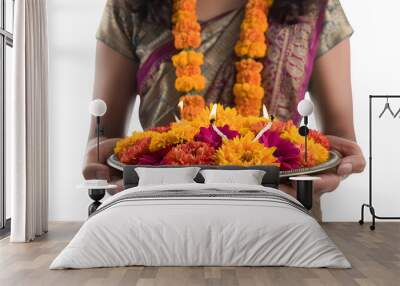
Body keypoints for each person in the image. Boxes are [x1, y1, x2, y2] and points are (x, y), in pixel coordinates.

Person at [83, 0, 366, 220]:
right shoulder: (130, 6)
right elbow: (102, 138)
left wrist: (331, 168)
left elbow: (338, 141)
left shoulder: (316, 7)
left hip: (283, 209)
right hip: (164, 211)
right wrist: (102, 160)